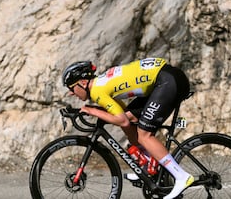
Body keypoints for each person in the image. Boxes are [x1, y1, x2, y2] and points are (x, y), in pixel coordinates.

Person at [62, 58, 194, 199]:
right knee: (131, 119)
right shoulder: (101, 83)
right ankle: (148, 166)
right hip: (166, 78)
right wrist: (95, 110)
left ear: (83, 83)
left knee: (144, 135)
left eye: (71, 88)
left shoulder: (97, 91)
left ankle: (181, 176)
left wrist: (92, 111)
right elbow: (123, 114)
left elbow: (121, 121)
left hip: (167, 81)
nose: (71, 93)